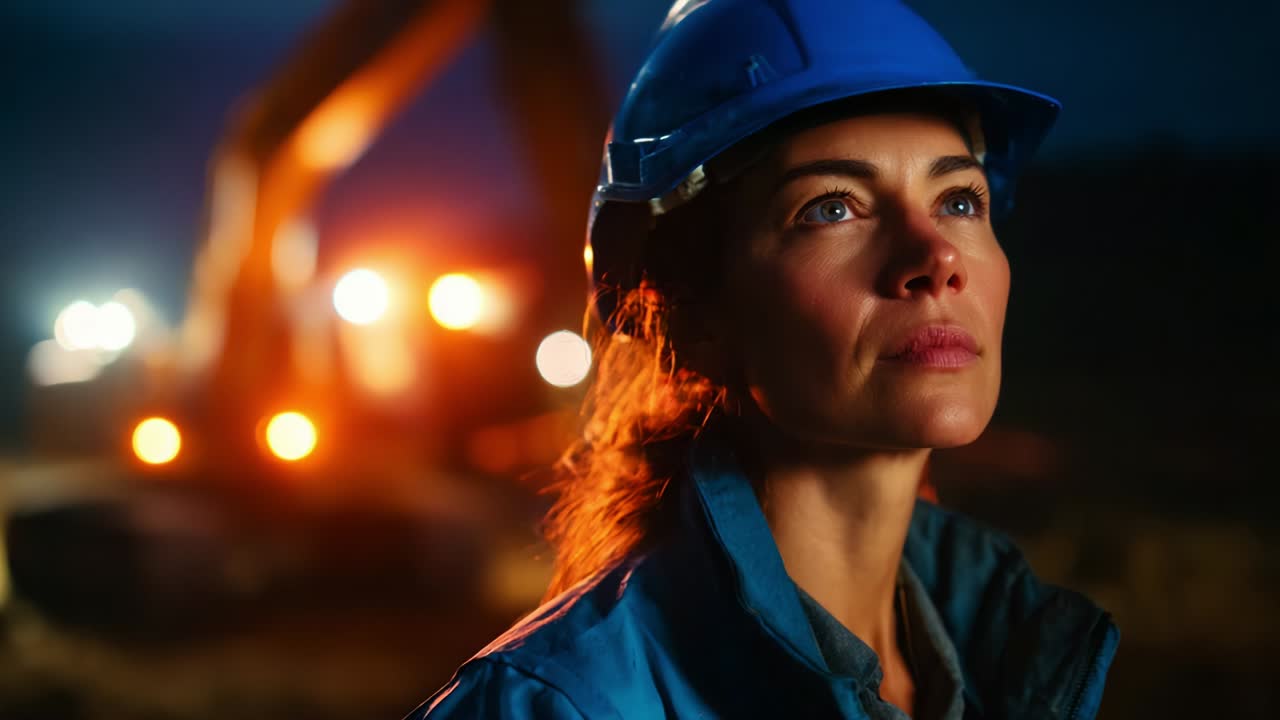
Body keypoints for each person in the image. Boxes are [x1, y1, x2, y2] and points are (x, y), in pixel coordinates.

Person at [408, 0, 1118, 717]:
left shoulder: (1009, 668)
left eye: (959, 200)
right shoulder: (552, 707)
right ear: (691, 314)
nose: (935, 258)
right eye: (833, 207)